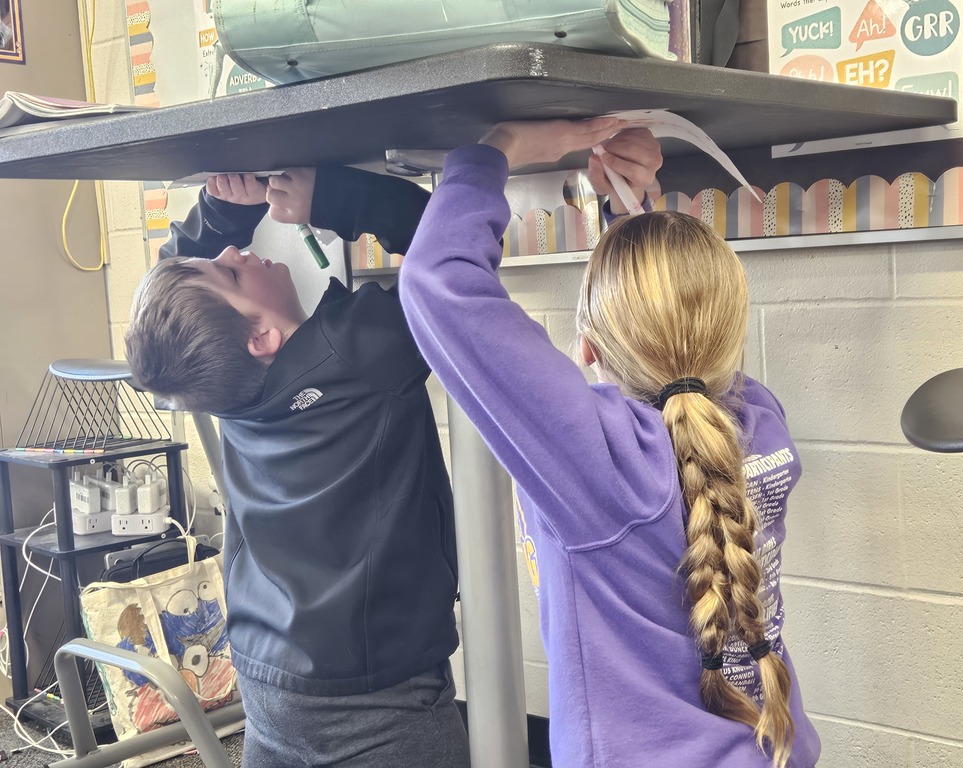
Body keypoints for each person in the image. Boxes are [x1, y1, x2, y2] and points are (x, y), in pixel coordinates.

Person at [398, 118, 821, 768]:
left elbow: (435, 280)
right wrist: (629, 208)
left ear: (588, 348)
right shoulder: (758, 421)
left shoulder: (602, 465)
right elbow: (674, 331)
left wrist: (497, 150)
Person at [124, 166, 469, 767]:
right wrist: (331, 196)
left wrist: (224, 206)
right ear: (260, 337)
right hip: (379, 699)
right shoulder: (360, 350)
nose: (236, 251)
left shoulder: (217, 378)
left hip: (264, 673)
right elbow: (456, 246)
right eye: (231, 270)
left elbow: (171, 281)